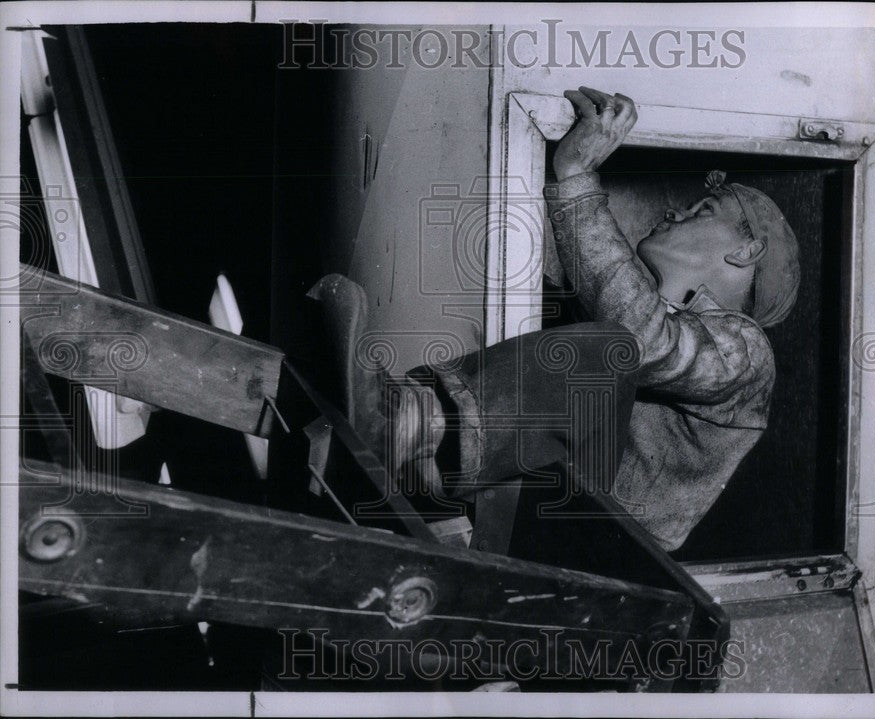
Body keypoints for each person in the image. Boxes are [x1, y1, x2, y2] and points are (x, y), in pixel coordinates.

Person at [310, 86, 799, 552]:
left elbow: (643, 343)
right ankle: (412, 438)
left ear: (746, 251)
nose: (675, 211)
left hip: (600, 546)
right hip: (545, 509)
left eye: (703, 209)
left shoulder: (750, 352)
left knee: (610, 352)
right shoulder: (648, 318)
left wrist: (578, 171)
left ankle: (404, 424)